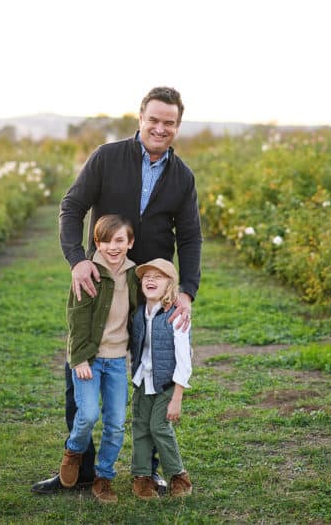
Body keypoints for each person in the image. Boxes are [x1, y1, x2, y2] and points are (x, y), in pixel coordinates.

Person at [32, 86, 202, 494]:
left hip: (151, 294)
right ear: (140, 118)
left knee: (154, 380)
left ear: (177, 126)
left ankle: (149, 469)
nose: (160, 128)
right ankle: (81, 469)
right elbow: (71, 207)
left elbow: (191, 237)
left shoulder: (182, 176)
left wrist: (187, 291)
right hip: (100, 283)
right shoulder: (107, 158)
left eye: (169, 123)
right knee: (82, 370)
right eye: (154, 120)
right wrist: (77, 260)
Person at [56, 215, 138, 503]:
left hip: (116, 361)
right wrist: (78, 360)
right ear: (96, 242)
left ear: (130, 242)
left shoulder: (134, 275)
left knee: (115, 424)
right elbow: (76, 320)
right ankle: (73, 452)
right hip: (88, 360)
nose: (112, 247)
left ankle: (104, 478)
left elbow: (147, 305)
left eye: (119, 240)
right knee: (88, 415)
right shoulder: (88, 273)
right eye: (105, 241)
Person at [129, 258, 193, 499]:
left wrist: (177, 397)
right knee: (140, 428)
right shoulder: (138, 314)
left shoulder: (177, 316)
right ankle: (142, 478)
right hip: (143, 380)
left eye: (158, 276)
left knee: (158, 426)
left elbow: (184, 359)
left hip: (168, 383)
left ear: (170, 284)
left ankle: (179, 476)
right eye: (146, 277)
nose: (151, 280)